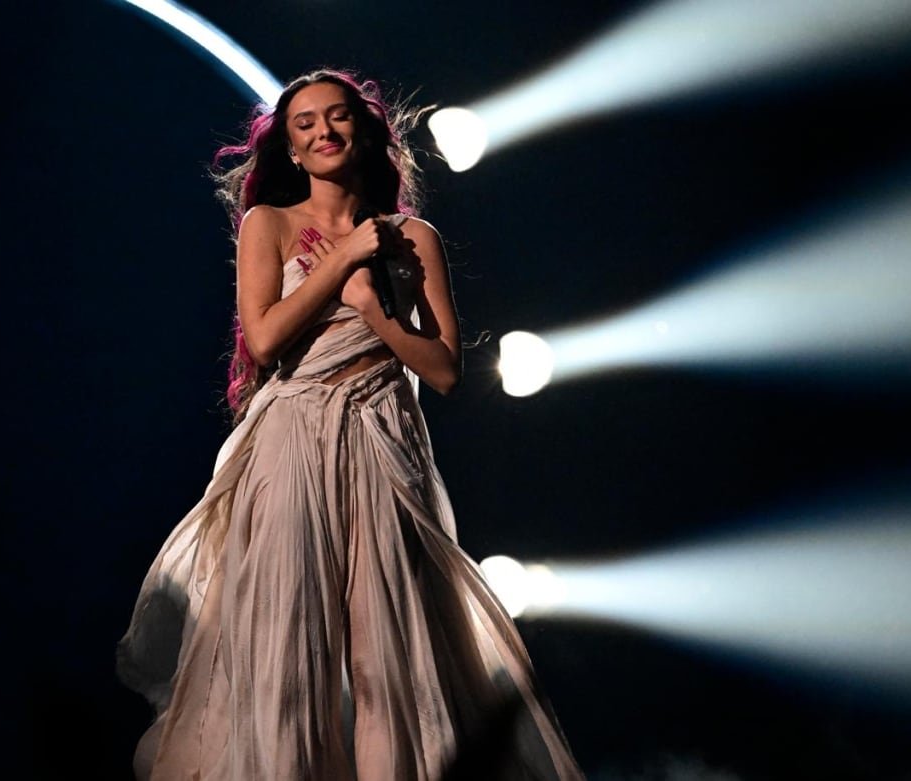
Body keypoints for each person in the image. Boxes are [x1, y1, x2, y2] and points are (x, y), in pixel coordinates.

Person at [116, 69, 584, 781]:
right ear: (292, 149)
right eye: (305, 124)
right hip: (294, 439)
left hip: (382, 442)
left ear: (363, 134)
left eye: (337, 118)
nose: (323, 131)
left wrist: (370, 304)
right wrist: (339, 262)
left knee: (385, 658)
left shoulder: (412, 237)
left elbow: (445, 369)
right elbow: (266, 339)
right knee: (288, 650)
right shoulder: (267, 224)